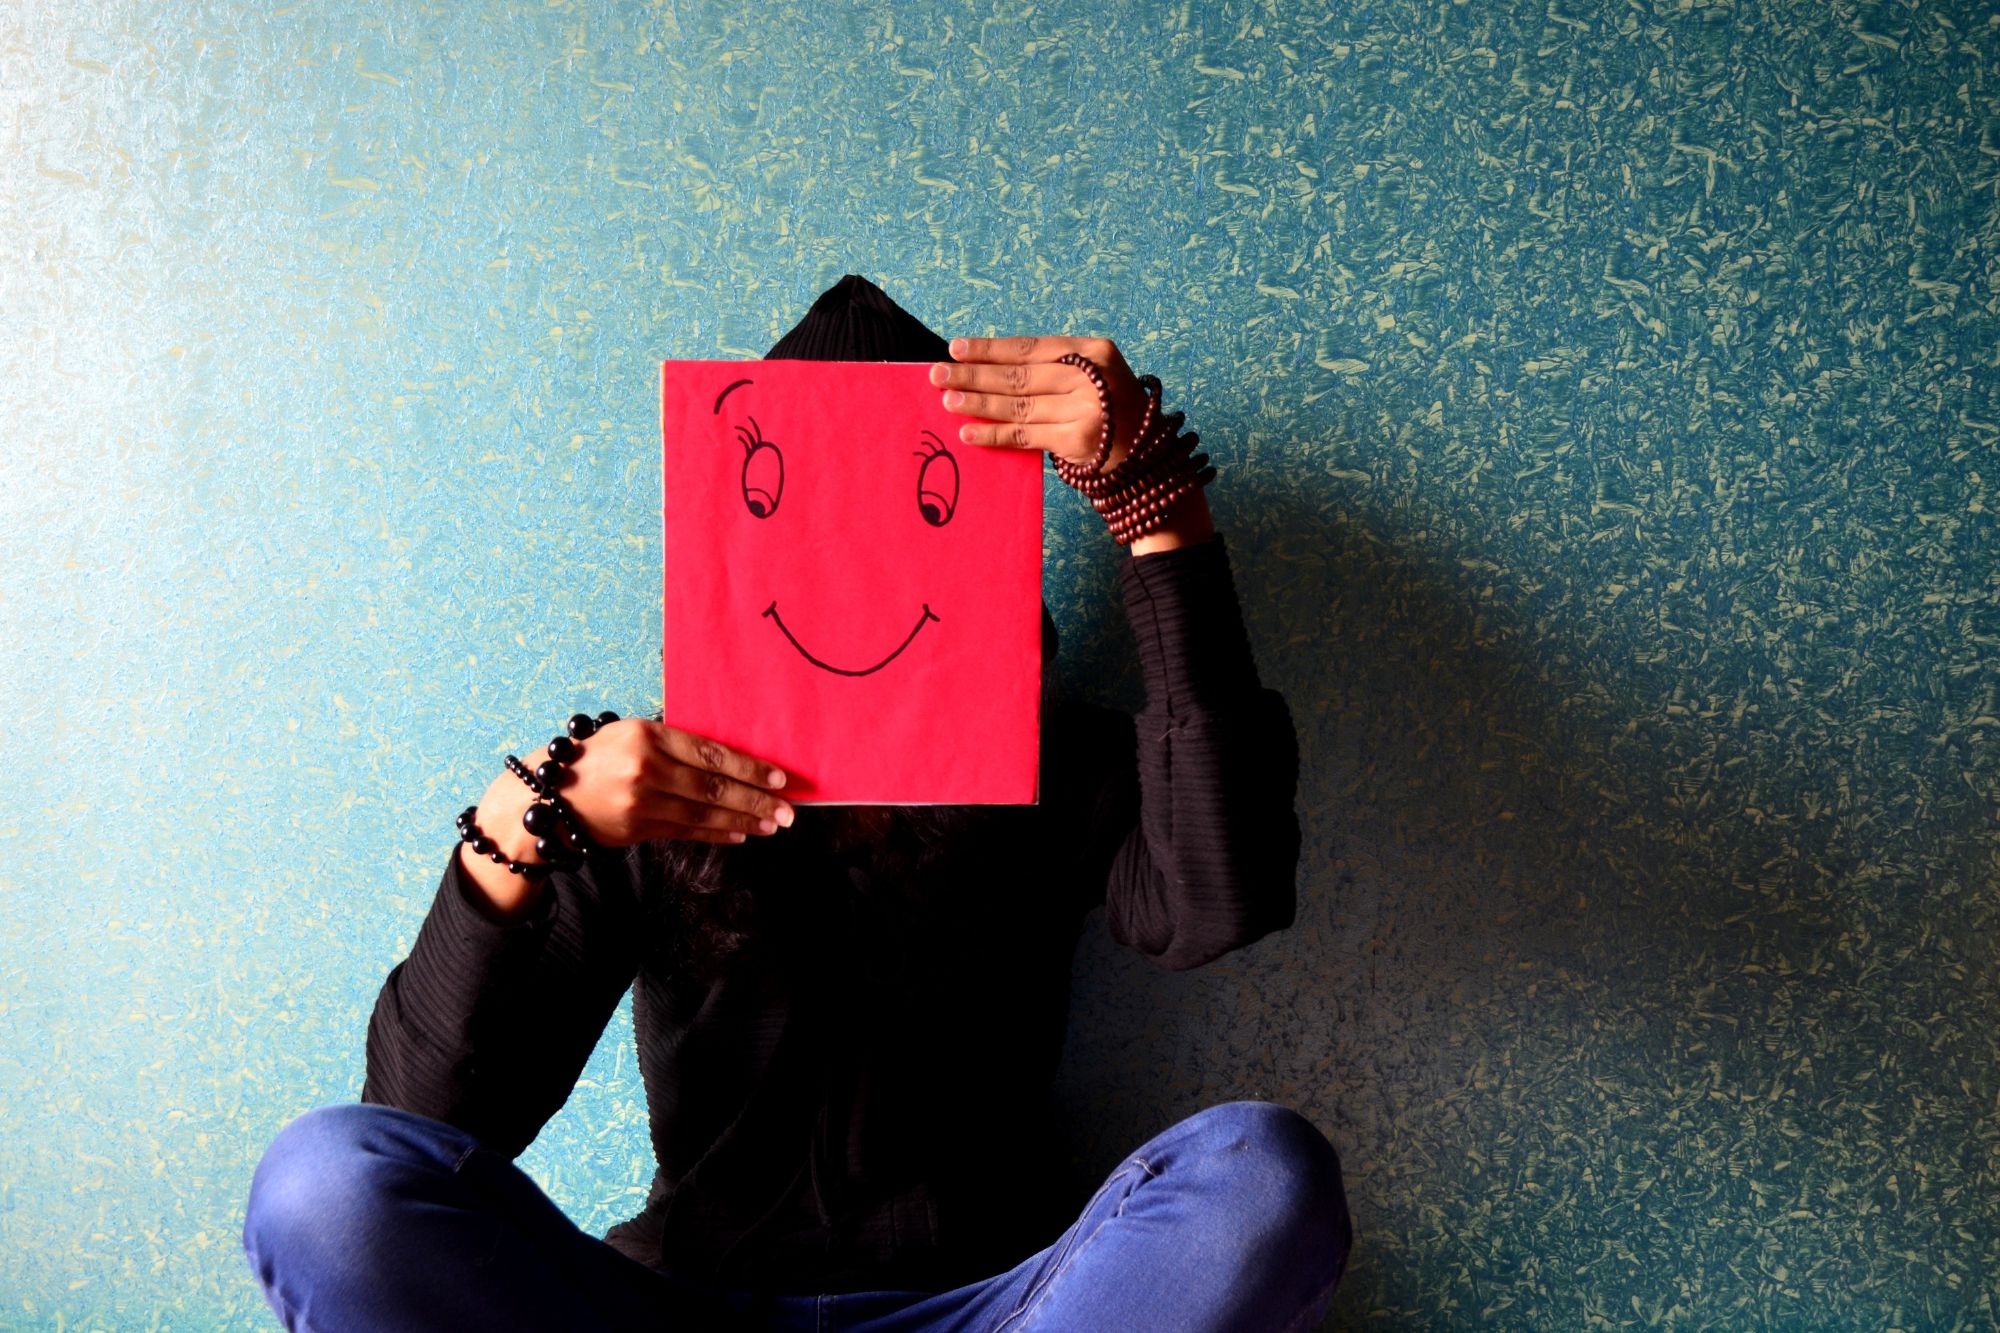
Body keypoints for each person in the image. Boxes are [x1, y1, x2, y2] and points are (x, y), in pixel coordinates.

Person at [241, 275, 1351, 1331]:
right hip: (681, 1306)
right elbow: (419, 1121)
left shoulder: (1051, 768)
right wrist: (523, 822)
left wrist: (1151, 493)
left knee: (1261, 1172)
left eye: (914, 510)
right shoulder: (647, 793)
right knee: (319, 1182)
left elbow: (1218, 897)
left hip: (989, 1304)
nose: (856, 574)